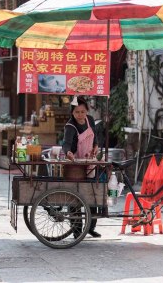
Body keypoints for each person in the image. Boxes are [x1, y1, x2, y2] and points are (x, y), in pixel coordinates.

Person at [62, 96, 100, 238]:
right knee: (75, 196)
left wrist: (95, 147)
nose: (80, 115)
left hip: (89, 161)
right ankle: (76, 229)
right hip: (75, 164)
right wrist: (68, 153)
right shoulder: (70, 126)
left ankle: (90, 227)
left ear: (87, 111)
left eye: (82, 112)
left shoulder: (90, 120)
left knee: (92, 192)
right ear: (72, 112)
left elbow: (95, 137)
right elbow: (65, 144)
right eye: (77, 112)